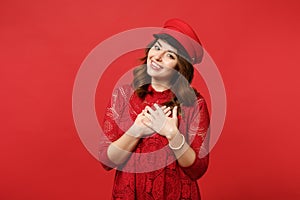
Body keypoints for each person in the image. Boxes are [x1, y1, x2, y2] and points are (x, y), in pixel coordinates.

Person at [99, 18, 210, 200]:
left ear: (180, 67)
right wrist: (136, 130)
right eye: (157, 47)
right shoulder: (123, 96)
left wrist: (173, 135)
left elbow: (197, 169)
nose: (157, 57)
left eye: (170, 55)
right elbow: (106, 160)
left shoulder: (194, 104)